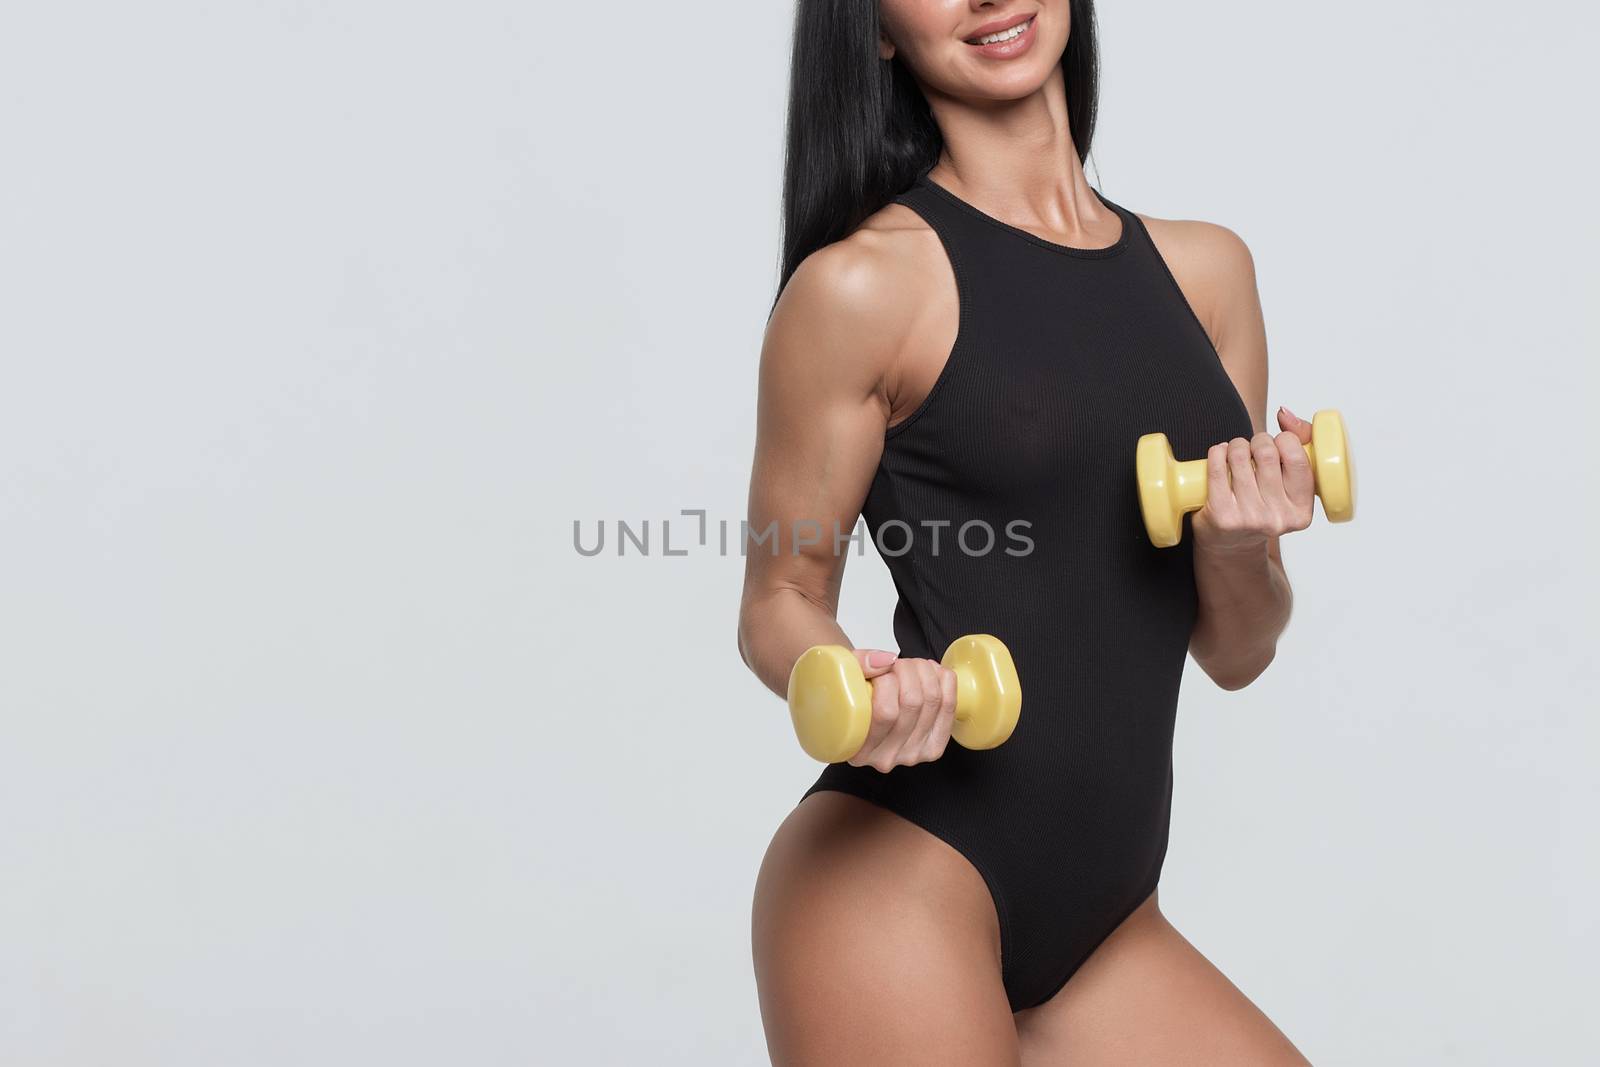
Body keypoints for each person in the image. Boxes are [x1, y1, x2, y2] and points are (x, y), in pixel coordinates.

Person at [738, 2, 1317, 1062]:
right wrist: (854, 688)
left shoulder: (1207, 274)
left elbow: (1235, 650)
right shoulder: (864, 287)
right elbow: (779, 601)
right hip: (898, 879)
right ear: (873, 31)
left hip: (1107, 917)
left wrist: (1237, 544)